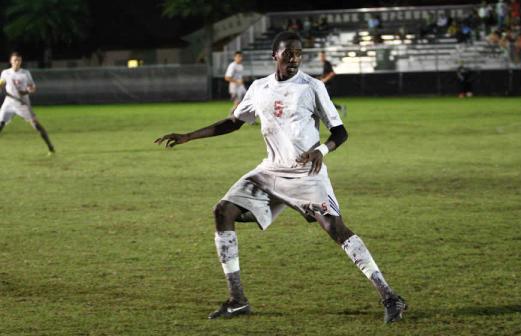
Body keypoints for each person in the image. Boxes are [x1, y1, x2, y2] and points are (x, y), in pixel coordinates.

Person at [155, 31, 407, 324]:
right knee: (222, 211)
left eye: (299, 53)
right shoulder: (259, 87)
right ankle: (237, 300)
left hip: (306, 175)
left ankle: (391, 297)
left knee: (336, 230)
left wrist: (322, 150)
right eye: (288, 54)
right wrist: (188, 136)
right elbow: (234, 122)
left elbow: (340, 132)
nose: (294, 59)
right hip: (270, 172)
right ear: (274, 55)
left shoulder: (312, 87)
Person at [0, 52, 55, 154]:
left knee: (36, 125)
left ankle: (50, 147)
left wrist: (28, 90)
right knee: (0, 124)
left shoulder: (25, 73)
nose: (17, 62)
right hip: (9, 103)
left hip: (22, 104)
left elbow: (32, 87)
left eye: (19, 60)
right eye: (15, 60)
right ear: (11, 61)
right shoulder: (5, 73)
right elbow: (2, 84)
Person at [319, 51, 346, 117]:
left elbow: (332, 73)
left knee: (326, 101)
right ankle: (340, 108)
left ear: (325, 56)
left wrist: (325, 80)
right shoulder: (324, 64)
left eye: (322, 56)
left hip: (328, 85)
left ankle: (338, 109)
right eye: (321, 56)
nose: (321, 57)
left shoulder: (327, 63)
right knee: (326, 101)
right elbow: (326, 74)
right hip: (326, 85)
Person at [224, 51, 246, 116]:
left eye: (241, 56)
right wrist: (237, 81)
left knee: (247, 101)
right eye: (238, 56)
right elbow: (227, 77)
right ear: (234, 57)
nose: (240, 58)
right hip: (234, 88)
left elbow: (239, 77)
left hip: (241, 87)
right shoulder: (232, 65)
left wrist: (242, 80)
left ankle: (248, 119)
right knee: (238, 104)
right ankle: (231, 114)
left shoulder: (241, 66)